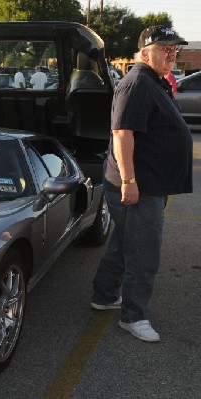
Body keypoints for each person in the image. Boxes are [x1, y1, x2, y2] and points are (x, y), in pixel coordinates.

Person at [90, 26, 192, 343]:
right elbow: (123, 134)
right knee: (144, 253)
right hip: (139, 186)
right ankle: (134, 316)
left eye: (175, 48)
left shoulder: (153, 81)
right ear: (145, 53)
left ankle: (105, 296)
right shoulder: (137, 83)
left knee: (125, 242)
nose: (172, 53)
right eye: (164, 48)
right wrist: (129, 181)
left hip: (149, 183)